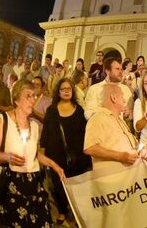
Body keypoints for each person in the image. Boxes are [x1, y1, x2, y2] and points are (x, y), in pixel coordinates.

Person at [0, 79, 64, 227]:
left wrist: (54, 165)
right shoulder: (3, 120)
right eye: (28, 96)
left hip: (34, 183)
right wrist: (8, 157)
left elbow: (35, 155)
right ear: (16, 100)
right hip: (13, 185)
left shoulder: (34, 126)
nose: (33, 100)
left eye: (34, 96)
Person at [40, 78, 91, 225]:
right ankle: (62, 210)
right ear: (58, 91)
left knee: (76, 186)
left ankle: (75, 211)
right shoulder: (51, 111)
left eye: (69, 89)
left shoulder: (79, 110)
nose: (67, 91)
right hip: (56, 156)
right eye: (63, 89)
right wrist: (42, 155)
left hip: (78, 157)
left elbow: (85, 132)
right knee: (58, 186)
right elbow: (45, 135)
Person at [84, 84, 147, 170]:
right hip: (112, 178)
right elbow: (90, 148)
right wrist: (121, 157)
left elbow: (132, 144)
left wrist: (142, 151)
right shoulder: (98, 118)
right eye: (122, 96)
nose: (124, 99)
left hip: (127, 177)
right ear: (113, 98)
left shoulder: (120, 120)